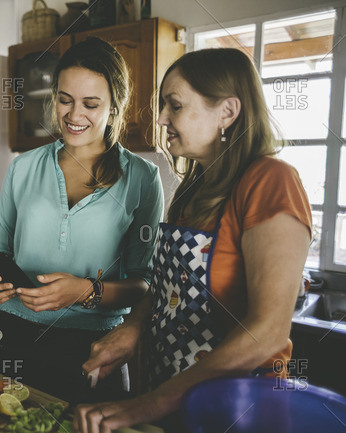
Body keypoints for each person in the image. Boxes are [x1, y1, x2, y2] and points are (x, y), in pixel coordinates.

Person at [74, 48, 312, 431]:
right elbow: (169, 288)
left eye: (175, 105)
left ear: (228, 112)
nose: (162, 118)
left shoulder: (271, 181)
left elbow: (267, 332)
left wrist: (148, 405)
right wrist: (133, 329)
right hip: (171, 392)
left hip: (238, 407)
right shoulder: (193, 189)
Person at [0, 37, 164, 401]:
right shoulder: (23, 167)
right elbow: (0, 252)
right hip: (15, 339)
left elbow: (145, 282)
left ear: (115, 106)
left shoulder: (142, 178)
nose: (75, 116)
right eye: (65, 100)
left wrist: (85, 291)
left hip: (94, 348)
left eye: (91, 104)